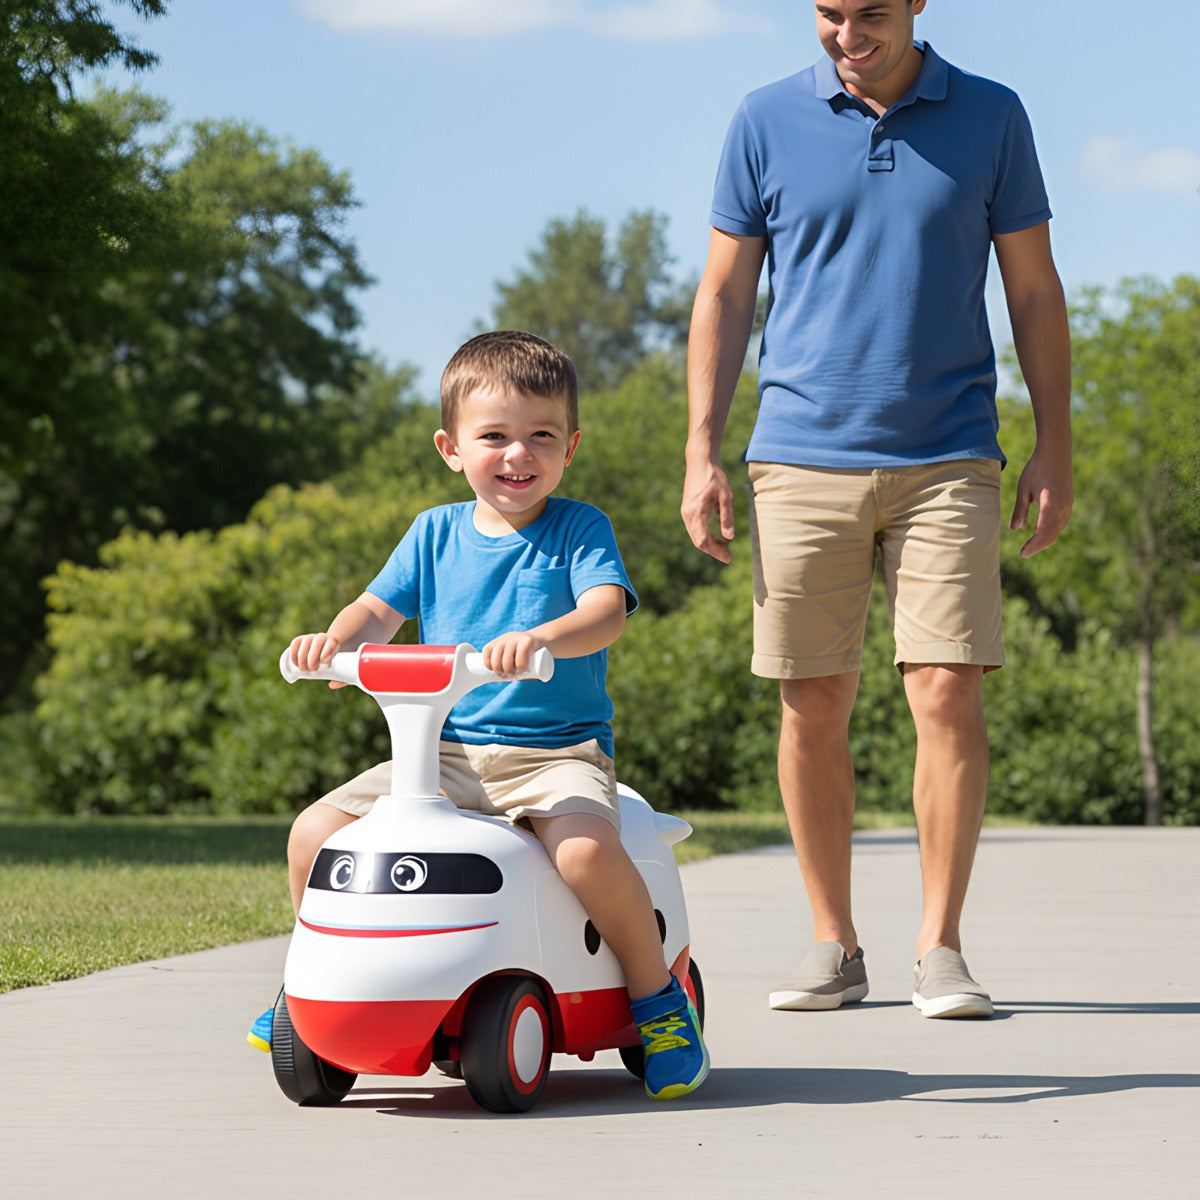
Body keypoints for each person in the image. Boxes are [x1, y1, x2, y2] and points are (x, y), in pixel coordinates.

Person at [682, 0, 1071, 1018]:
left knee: (946, 689)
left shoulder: (992, 116)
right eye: (827, 12)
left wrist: (1055, 444)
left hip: (950, 453)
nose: (847, 33)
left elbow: (1032, 290)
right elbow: (724, 294)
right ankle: (833, 943)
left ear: (919, 5)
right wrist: (701, 449)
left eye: (871, 14)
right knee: (813, 700)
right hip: (800, 453)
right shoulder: (763, 120)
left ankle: (939, 947)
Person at [249, 330, 708, 1100]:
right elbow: (376, 610)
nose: (516, 454)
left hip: (555, 753)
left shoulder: (578, 529)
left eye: (541, 436)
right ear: (451, 447)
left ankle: (657, 1000)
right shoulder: (432, 533)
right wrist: (334, 645)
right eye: (493, 435)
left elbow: (605, 612)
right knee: (315, 834)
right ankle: (316, 980)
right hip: (445, 753)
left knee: (586, 854)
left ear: (570, 448)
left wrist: (544, 638)